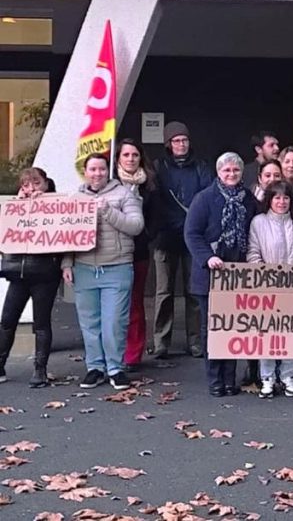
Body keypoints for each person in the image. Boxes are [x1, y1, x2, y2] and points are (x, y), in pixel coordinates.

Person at [63, 153, 144, 391]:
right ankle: (94, 368)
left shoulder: (124, 194)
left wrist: (108, 210)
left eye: (101, 169)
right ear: (85, 172)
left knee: (114, 322)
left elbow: (136, 226)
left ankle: (116, 368)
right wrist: (66, 263)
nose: (97, 173)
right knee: (89, 323)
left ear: (107, 171)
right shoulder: (75, 198)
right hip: (85, 267)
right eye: (92, 169)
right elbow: (66, 235)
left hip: (117, 266)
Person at [184, 152, 258, 397]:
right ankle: (215, 379)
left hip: (238, 274)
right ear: (218, 172)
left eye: (236, 171)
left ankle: (229, 379)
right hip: (211, 275)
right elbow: (192, 234)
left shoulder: (248, 199)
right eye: (227, 171)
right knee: (213, 330)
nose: (231, 175)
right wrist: (208, 257)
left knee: (234, 329)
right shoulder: (204, 199)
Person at [247, 181, 293, 398]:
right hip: (266, 290)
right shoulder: (258, 223)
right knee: (266, 334)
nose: (281, 202)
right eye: (277, 197)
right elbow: (253, 253)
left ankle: (288, 375)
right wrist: (263, 277)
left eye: (285, 198)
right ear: (269, 200)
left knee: (289, 333)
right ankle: (267, 377)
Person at [152, 121, 213, 360]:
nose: (181, 144)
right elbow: (156, 201)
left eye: (184, 140)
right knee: (163, 292)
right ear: (169, 144)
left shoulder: (201, 166)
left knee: (194, 292)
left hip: (194, 239)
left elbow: (206, 196)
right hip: (165, 237)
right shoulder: (158, 167)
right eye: (176, 140)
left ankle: (195, 342)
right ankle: (160, 342)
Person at [0, 168, 63, 387]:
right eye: (26, 185)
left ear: (46, 183)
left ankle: (40, 370)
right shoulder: (16, 207)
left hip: (45, 273)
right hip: (18, 272)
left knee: (41, 323)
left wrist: (46, 203)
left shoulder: (57, 205)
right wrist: (15, 208)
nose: (30, 189)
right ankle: (0, 365)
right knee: (7, 320)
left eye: (36, 183)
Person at [115, 139, 156, 372]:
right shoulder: (110, 184)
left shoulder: (148, 185)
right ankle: (112, 353)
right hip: (110, 253)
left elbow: (155, 216)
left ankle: (133, 354)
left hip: (138, 251)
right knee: (112, 306)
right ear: (118, 158)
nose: (130, 159)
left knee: (134, 304)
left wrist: (146, 235)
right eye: (126, 155)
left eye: (135, 155)